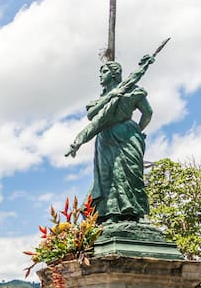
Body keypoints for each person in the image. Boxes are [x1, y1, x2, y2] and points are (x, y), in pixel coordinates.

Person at [65, 56, 156, 224]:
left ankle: (135, 214)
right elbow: (92, 116)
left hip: (128, 137)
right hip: (106, 139)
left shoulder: (133, 90)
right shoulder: (101, 100)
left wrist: (136, 130)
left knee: (132, 174)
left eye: (104, 71)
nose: (100, 76)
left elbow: (148, 113)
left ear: (115, 74)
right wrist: (112, 95)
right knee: (108, 176)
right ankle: (110, 214)